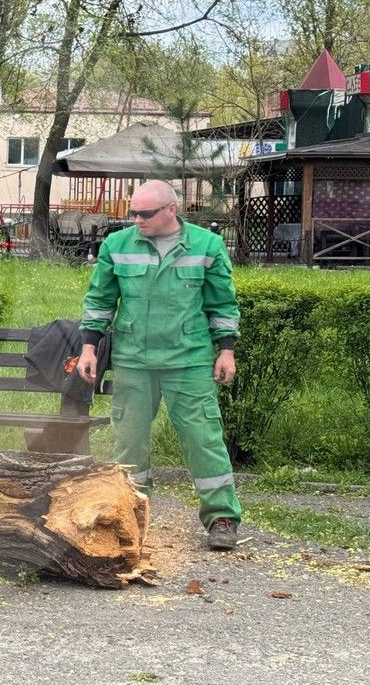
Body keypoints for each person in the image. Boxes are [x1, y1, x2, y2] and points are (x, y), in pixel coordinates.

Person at [75, 181, 242, 551]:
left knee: (203, 439)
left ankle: (222, 517)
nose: (137, 220)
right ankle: (130, 514)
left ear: (171, 210)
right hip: (134, 360)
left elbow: (222, 304)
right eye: (133, 212)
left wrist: (226, 350)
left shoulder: (207, 246)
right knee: (129, 444)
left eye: (146, 213)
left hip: (189, 359)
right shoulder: (116, 245)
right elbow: (99, 301)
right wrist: (88, 348)